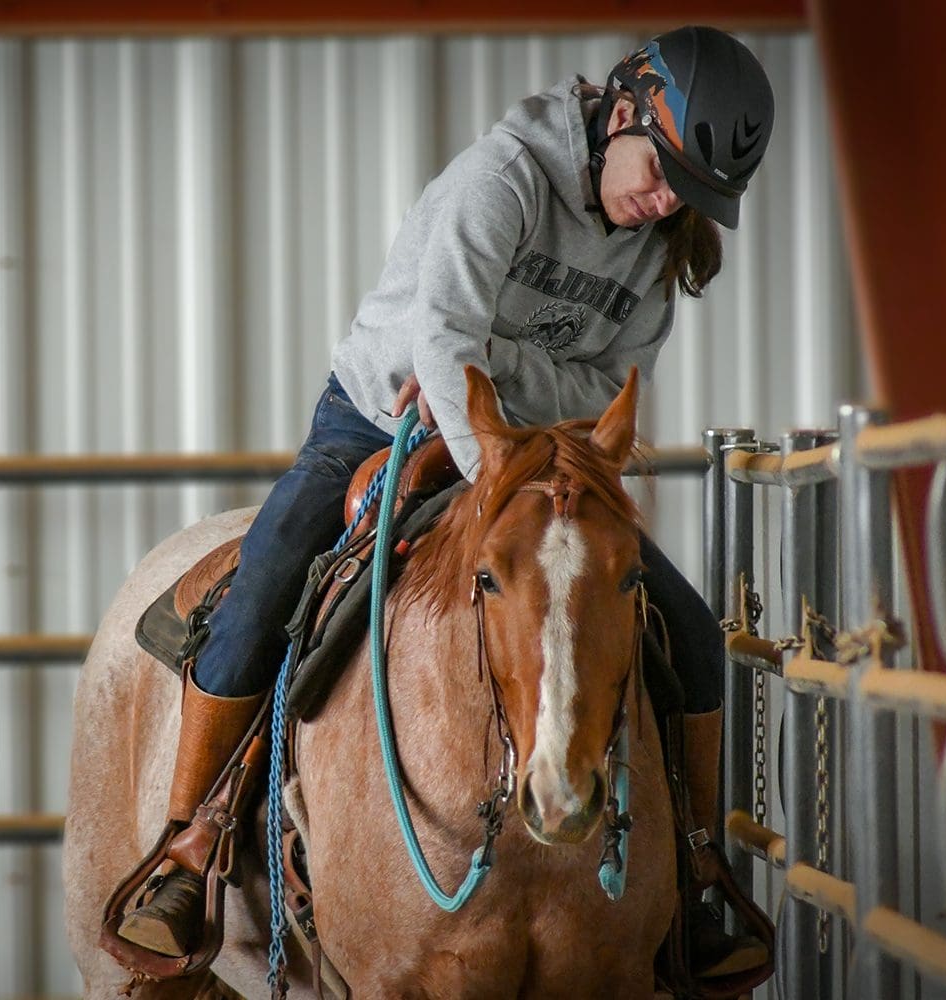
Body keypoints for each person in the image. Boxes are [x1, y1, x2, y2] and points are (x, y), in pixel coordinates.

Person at [113, 24, 775, 981]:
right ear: (622, 111)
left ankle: (700, 870)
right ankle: (192, 848)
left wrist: (492, 377)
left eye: (689, 191)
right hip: (379, 419)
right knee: (261, 590)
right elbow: (438, 342)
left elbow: (609, 387)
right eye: (663, 168)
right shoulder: (504, 177)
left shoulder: (658, 244)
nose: (665, 199)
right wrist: (495, 408)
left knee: (689, 633)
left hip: (545, 455)